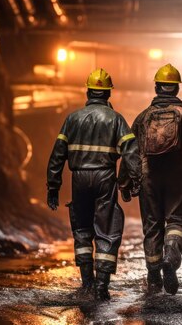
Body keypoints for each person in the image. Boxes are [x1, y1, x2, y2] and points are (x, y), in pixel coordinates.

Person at [47, 68, 141, 301]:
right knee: (107, 229)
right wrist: (135, 180)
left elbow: (57, 156)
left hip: (78, 178)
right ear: (108, 94)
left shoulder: (72, 119)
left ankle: (87, 282)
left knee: (81, 228)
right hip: (104, 177)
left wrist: (53, 186)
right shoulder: (116, 119)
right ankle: (101, 286)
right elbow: (131, 152)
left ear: (88, 91)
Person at [120, 63, 182, 294]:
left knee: (152, 226)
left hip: (149, 178)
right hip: (178, 178)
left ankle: (153, 277)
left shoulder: (143, 117)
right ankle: (170, 256)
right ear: (177, 89)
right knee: (177, 223)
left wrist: (125, 183)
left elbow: (130, 152)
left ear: (157, 87)